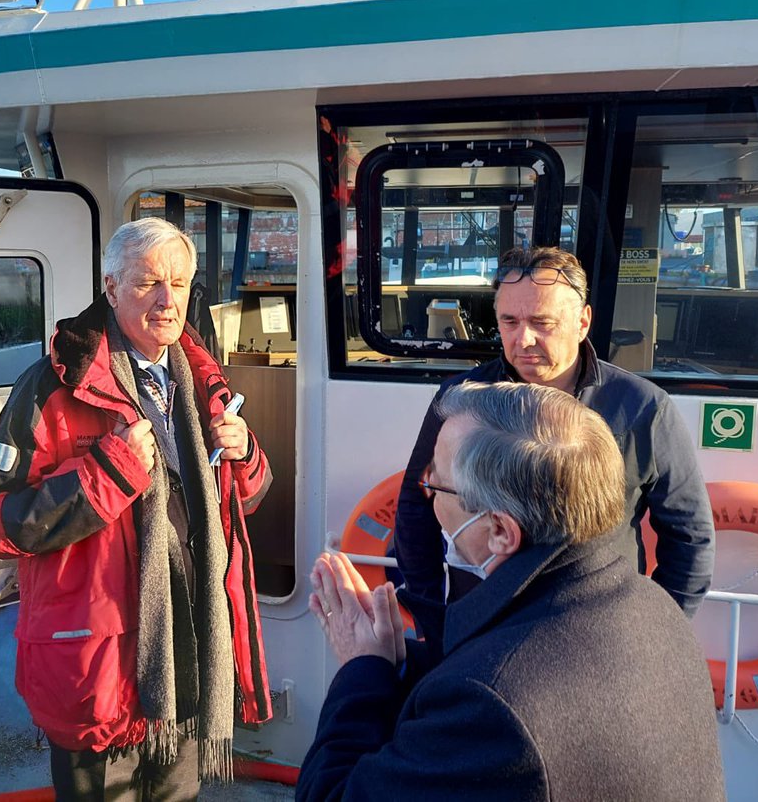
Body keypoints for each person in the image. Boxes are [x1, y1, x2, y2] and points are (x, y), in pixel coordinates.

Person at [0, 218, 273, 800]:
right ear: (110, 288)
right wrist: (106, 474)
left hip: (189, 661)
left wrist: (246, 453)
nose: (167, 300)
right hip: (98, 672)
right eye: (147, 283)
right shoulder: (51, 389)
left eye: (179, 285)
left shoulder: (200, 383)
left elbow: (247, 500)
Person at [298, 382, 724, 801]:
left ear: (500, 531)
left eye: (436, 483)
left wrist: (362, 670)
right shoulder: (652, 606)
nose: (425, 491)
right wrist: (401, 661)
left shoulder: (489, 706)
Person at [394, 246, 714, 618]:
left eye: (542, 323)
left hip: (598, 625)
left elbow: (689, 536)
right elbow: (417, 503)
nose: (523, 339)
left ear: (582, 322)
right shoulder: (459, 401)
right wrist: (429, 613)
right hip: (481, 620)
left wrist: (660, 630)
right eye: (509, 321)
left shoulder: (643, 408)